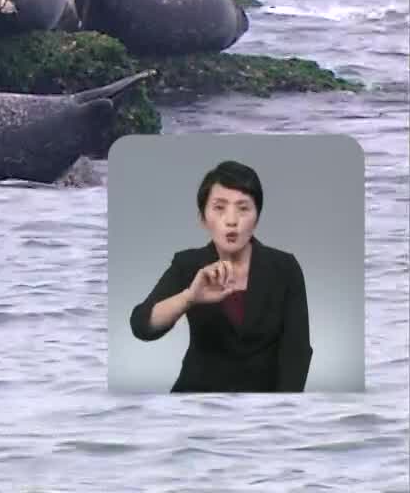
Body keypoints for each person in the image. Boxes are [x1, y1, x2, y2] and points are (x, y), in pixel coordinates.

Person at [129, 160, 312, 391]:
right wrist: (189, 298)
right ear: (203, 218)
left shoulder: (285, 267)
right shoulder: (188, 265)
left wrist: (282, 410)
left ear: (257, 218)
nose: (231, 220)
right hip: (196, 400)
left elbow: (297, 351)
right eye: (219, 207)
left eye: (243, 208)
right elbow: (141, 325)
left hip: (264, 408)